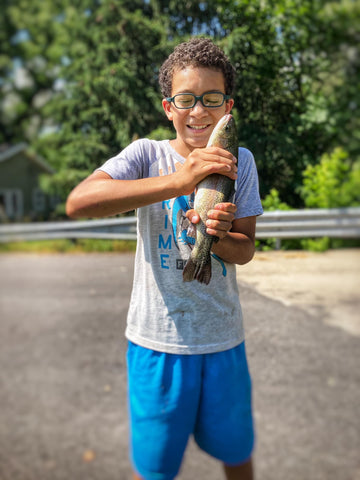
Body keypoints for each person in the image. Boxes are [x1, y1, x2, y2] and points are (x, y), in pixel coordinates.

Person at [66, 37, 263, 480]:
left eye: (211, 99)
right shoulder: (145, 155)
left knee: (237, 451)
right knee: (155, 469)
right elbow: (80, 202)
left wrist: (218, 236)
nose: (199, 111)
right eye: (186, 99)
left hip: (223, 339)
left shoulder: (240, 160)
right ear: (167, 107)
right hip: (157, 344)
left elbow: (245, 249)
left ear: (227, 107)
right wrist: (181, 180)